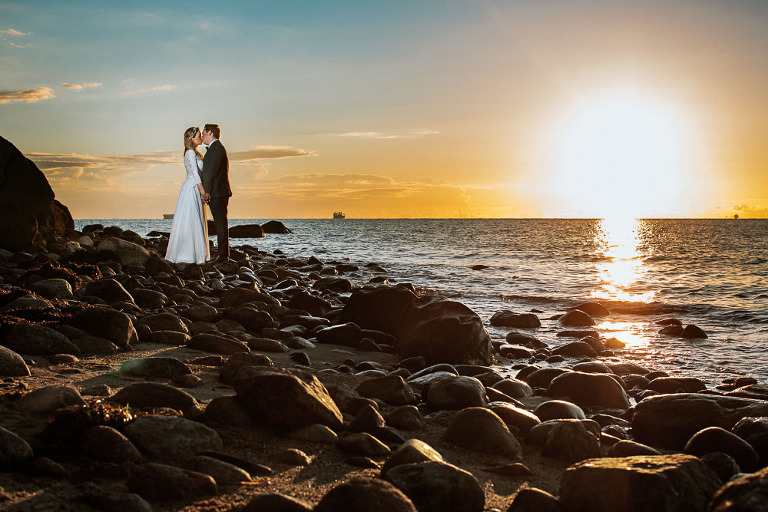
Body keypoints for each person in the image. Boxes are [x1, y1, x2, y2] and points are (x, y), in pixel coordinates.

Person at [165, 126, 210, 264]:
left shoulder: (195, 153)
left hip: (196, 188)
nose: (201, 137)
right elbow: (195, 174)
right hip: (191, 189)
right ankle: (187, 254)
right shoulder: (190, 153)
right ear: (192, 139)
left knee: (195, 220)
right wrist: (203, 191)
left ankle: (197, 254)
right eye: (198, 136)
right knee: (190, 220)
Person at [201, 123, 232, 262]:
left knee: (220, 223)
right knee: (220, 223)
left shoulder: (216, 149)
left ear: (209, 133)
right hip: (217, 192)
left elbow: (210, 174)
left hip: (218, 192)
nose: (202, 136)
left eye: (203, 133)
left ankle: (223, 255)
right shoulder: (214, 149)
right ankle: (222, 253)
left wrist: (206, 192)